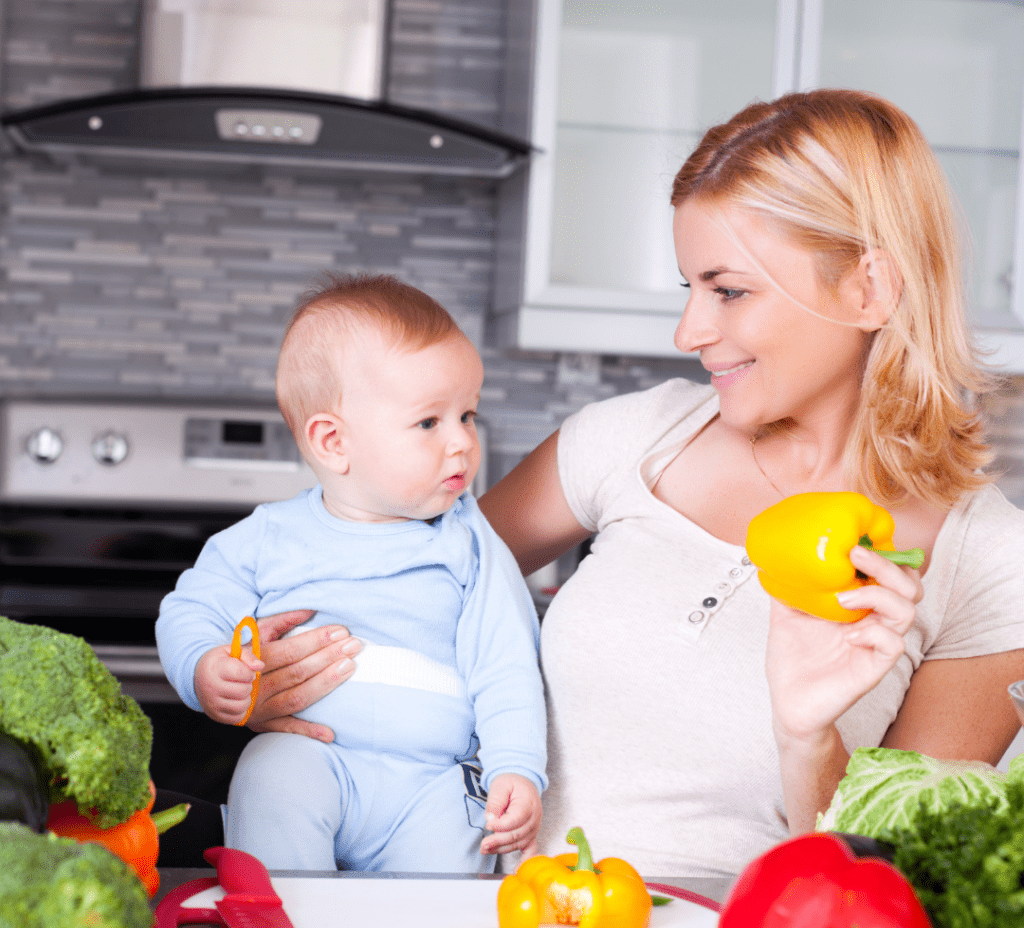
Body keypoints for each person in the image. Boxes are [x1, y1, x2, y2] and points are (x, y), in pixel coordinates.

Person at [208, 90, 1024, 878]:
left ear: (868, 288)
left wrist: (808, 737)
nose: (689, 331)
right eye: (689, 287)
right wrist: (279, 682)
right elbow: (418, 591)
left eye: (729, 290)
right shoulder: (627, 439)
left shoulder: (986, 561)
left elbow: (899, 890)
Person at [156, 273, 546, 872]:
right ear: (333, 442)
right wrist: (206, 668)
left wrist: (516, 765)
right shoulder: (269, 538)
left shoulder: (470, 544)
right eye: (429, 423)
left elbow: (506, 662)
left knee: (445, 885)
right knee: (269, 774)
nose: (463, 443)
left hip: (432, 782)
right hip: (313, 760)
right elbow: (191, 612)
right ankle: (282, 924)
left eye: (466, 415)